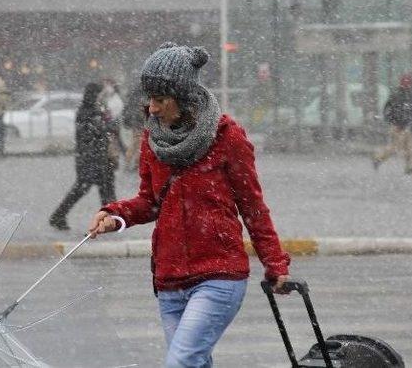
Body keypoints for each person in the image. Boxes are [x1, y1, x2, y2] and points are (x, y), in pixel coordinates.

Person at [87, 42, 291, 368]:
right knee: (194, 363)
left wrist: (275, 264)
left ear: (183, 98)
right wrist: (116, 215)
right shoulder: (153, 140)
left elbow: (253, 207)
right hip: (169, 280)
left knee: (180, 362)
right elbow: (151, 202)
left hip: (219, 276)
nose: (152, 108)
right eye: (149, 99)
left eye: (160, 99)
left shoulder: (227, 137)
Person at [49, 81, 118, 231]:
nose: (103, 96)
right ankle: (58, 216)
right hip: (90, 158)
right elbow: (94, 131)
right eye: (101, 93)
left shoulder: (96, 109)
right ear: (95, 94)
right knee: (86, 188)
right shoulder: (87, 111)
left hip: (98, 156)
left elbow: (103, 130)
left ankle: (112, 220)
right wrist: (109, 125)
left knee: (105, 188)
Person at [373, 73, 412, 174]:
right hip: (400, 126)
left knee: (409, 148)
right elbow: (392, 110)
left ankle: (408, 167)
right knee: (396, 147)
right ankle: (378, 158)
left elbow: (388, 109)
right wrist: (397, 122)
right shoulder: (402, 96)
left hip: (403, 126)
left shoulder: (402, 95)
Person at [121, 83, 146, 172]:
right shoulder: (144, 94)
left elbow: (128, 108)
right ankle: (136, 163)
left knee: (134, 143)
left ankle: (129, 163)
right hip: (141, 121)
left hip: (135, 121)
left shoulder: (134, 93)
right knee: (140, 144)